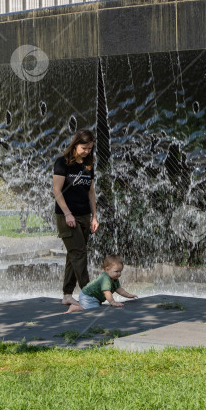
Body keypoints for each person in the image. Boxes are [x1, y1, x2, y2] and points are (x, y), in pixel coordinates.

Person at [53, 128, 99, 306]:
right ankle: (89, 294)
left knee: (73, 254)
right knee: (79, 253)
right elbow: (56, 190)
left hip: (84, 215)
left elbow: (91, 192)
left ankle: (67, 295)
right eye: (84, 148)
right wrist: (67, 214)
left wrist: (94, 216)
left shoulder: (88, 165)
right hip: (67, 216)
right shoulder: (62, 163)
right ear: (75, 144)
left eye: (90, 149)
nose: (87, 152)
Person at [66, 255, 137, 313]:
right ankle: (76, 307)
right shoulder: (105, 279)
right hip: (88, 297)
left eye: (120, 271)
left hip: (94, 298)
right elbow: (106, 292)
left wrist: (129, 295)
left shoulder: (114, 278)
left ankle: (82, 306)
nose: (119, 274)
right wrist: (112, 302)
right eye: (116, 271)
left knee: (97, 308)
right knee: (93, 310)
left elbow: (119, 289)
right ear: (107, 270)